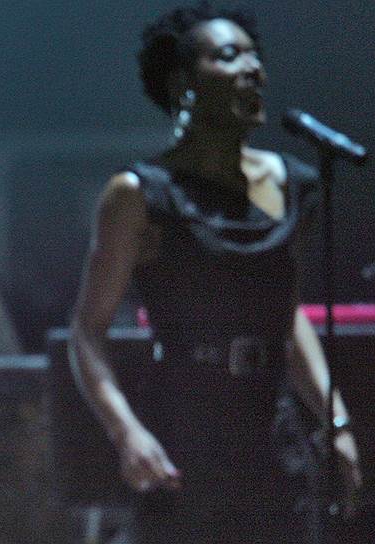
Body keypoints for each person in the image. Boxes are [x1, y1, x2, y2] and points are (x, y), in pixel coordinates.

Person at [68, 4, 362, 542]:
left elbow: (286, 316)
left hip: (274, 433)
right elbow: (87, 332)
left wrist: (335, 421)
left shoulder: (294, 184)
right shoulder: (139, 196)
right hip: (185, 431)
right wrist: (127, 432)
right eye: (229, 56)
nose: (253, 69)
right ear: (183, 83)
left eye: (255, 56)